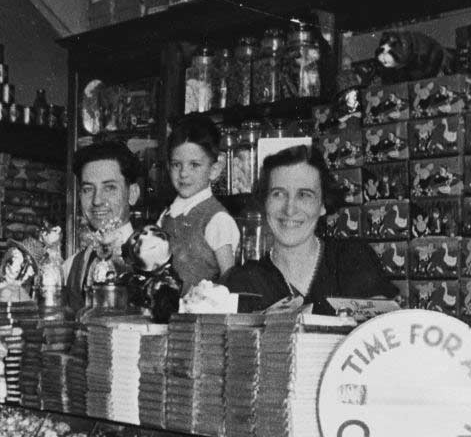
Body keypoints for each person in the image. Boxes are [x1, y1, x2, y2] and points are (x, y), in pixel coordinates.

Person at [224, 145, 397, 314]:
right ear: (264, 202)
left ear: (322, 205)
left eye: (304, 195)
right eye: (278, 194)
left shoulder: (353, 259)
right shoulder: (242, 282)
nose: (290, 209)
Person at [158, 115, 239, 292]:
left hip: (202, 315)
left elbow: (230, 281)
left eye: (194, 165)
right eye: (176, 165)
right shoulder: (165, 217)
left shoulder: (217, 220)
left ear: (214, 169)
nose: (184, 173)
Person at [63, 140, 143, 312]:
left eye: (109, 188)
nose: (97, 200)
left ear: (133, 193)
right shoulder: (70, 267)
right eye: (88, 189)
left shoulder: (151, 257)